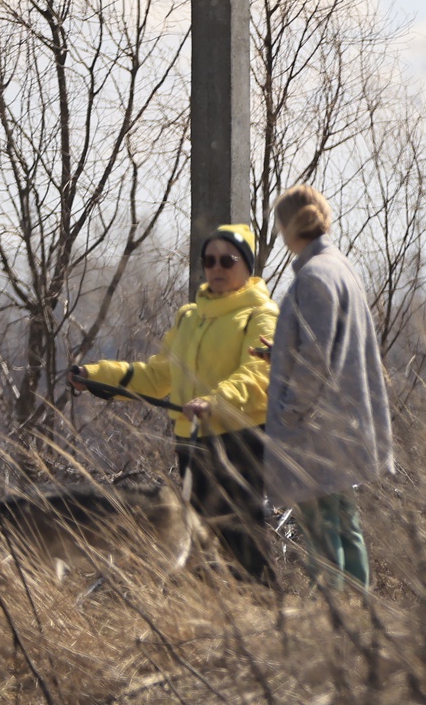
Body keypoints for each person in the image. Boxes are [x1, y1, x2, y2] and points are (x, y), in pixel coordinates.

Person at [75, 224, 281, 584]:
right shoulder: (190, 316)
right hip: (191, 443)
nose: (216, 267)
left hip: (240, 442)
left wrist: (214, 401)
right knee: (202, 546)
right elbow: (157, 376)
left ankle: (269, 618)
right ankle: (220, 629)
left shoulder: (261, 314)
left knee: (241, 540)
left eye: (227, 260)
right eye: (209, 260)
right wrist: (95, 375)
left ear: (247, 267)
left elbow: (256, 375)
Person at [260, 186, 384, 588]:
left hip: (318, 433)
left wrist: (290, 412)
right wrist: (279, 353)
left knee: (321, 534)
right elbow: (330, 346)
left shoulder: (313, 277)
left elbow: (315, 360)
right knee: (344, 525)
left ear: (285, 228)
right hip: (344, 426)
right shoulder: (339, 268)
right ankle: (359, 619)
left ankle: (333, 630)